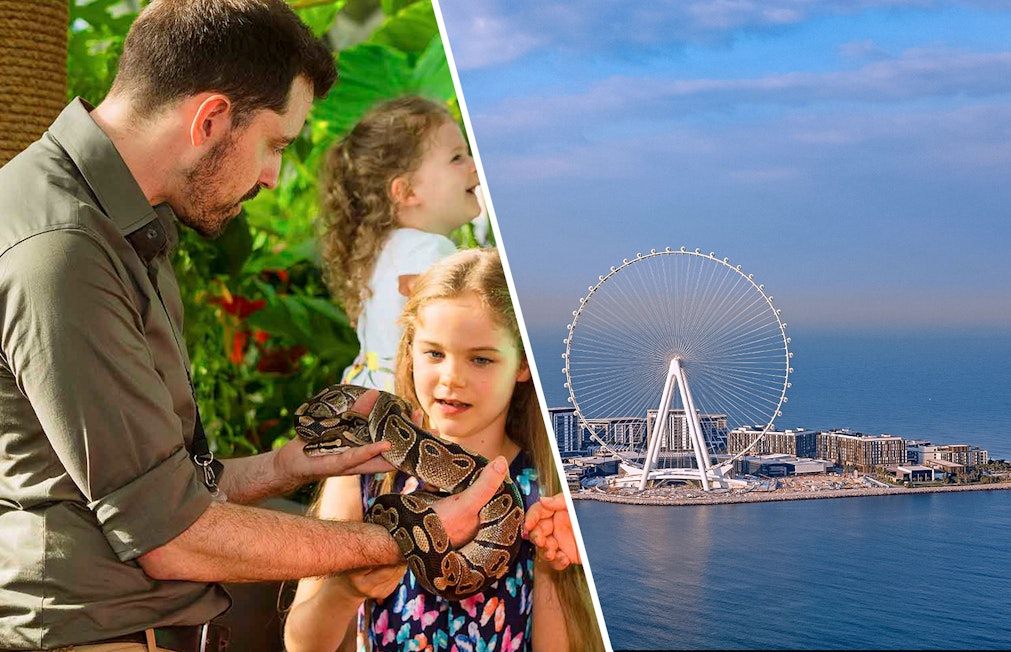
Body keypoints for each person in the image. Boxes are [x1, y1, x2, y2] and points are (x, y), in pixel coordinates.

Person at [0, 2, 507, 650]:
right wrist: (405, 536)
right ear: (210, 119)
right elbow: (169, 533)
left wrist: (285, 466)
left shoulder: (121, 222)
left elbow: (158, 482)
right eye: (274, 144)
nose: (271, 175)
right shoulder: (64, 249)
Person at [284, 248, 605, 652]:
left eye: (481, 359)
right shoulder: (362, 475)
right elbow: (302, 644)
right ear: (411, 353)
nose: (451, 378)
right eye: (435, 353)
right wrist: (345, 591)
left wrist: (550, 561)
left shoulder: (546, 492)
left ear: (523, 365)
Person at [319, 94, 481, 393]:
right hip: (407, 400)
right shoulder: (428, 251)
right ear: (405, 191)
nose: (474, 164)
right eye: (457, 157)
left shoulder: (382, 247)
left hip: (366, 390)